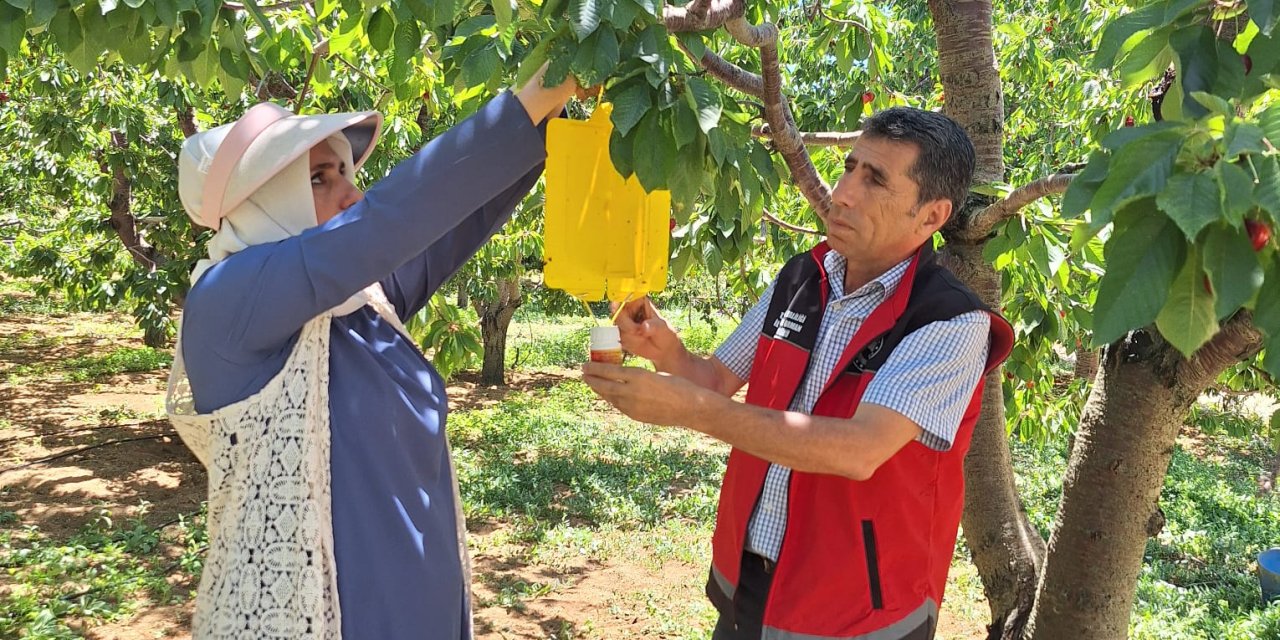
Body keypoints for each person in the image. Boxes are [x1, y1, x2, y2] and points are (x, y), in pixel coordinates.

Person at [164, 66, 579, 639]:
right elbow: (383, 224)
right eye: (318, 179)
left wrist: (545, 116)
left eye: (343, 170)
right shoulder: (227, 299)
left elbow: (451, 223)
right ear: (262, 200)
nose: (350, 190)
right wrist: (531, 96)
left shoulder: (358, 305)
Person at [583, 107, 1015, 640]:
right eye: (850, 167)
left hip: (857, 613)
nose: (844, 192)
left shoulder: (949, 321)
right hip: (752, 585)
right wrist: (664, 350)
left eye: (875, 179)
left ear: (931, 215)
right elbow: (716, 377)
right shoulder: (800, 279)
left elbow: (858, 450)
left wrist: (691, 412)